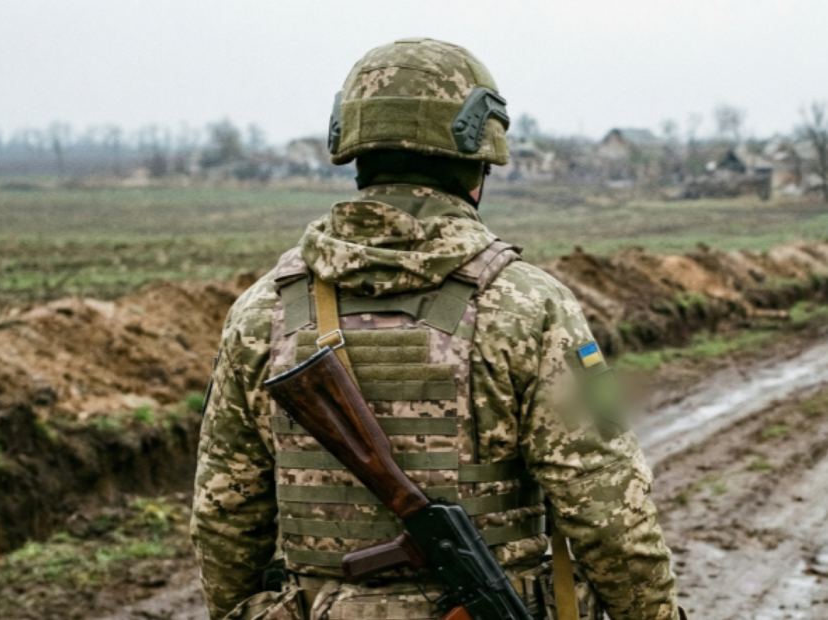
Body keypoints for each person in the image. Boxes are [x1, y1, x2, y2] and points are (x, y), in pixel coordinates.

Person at [192, 37, 681, 620]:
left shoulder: (260, 313)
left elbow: (224, 514)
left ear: (353, 153)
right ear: (479, 164)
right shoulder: (531, 306)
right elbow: (608, 511)